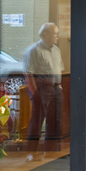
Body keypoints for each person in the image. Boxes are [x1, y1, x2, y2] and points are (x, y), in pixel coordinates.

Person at [22, 22, 65, 153]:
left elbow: (60, 69)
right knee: (37, 121)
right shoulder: (33, 51)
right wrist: (35, 93)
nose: (57, 36)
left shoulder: (56, 50)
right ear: (45, 34)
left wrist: (60, 86)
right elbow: (29, 74)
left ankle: (51, 151)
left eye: (57, 33)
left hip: (56, 89)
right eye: (54, 33)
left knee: (55, 121)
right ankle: (31, 153)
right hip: (41, 89)